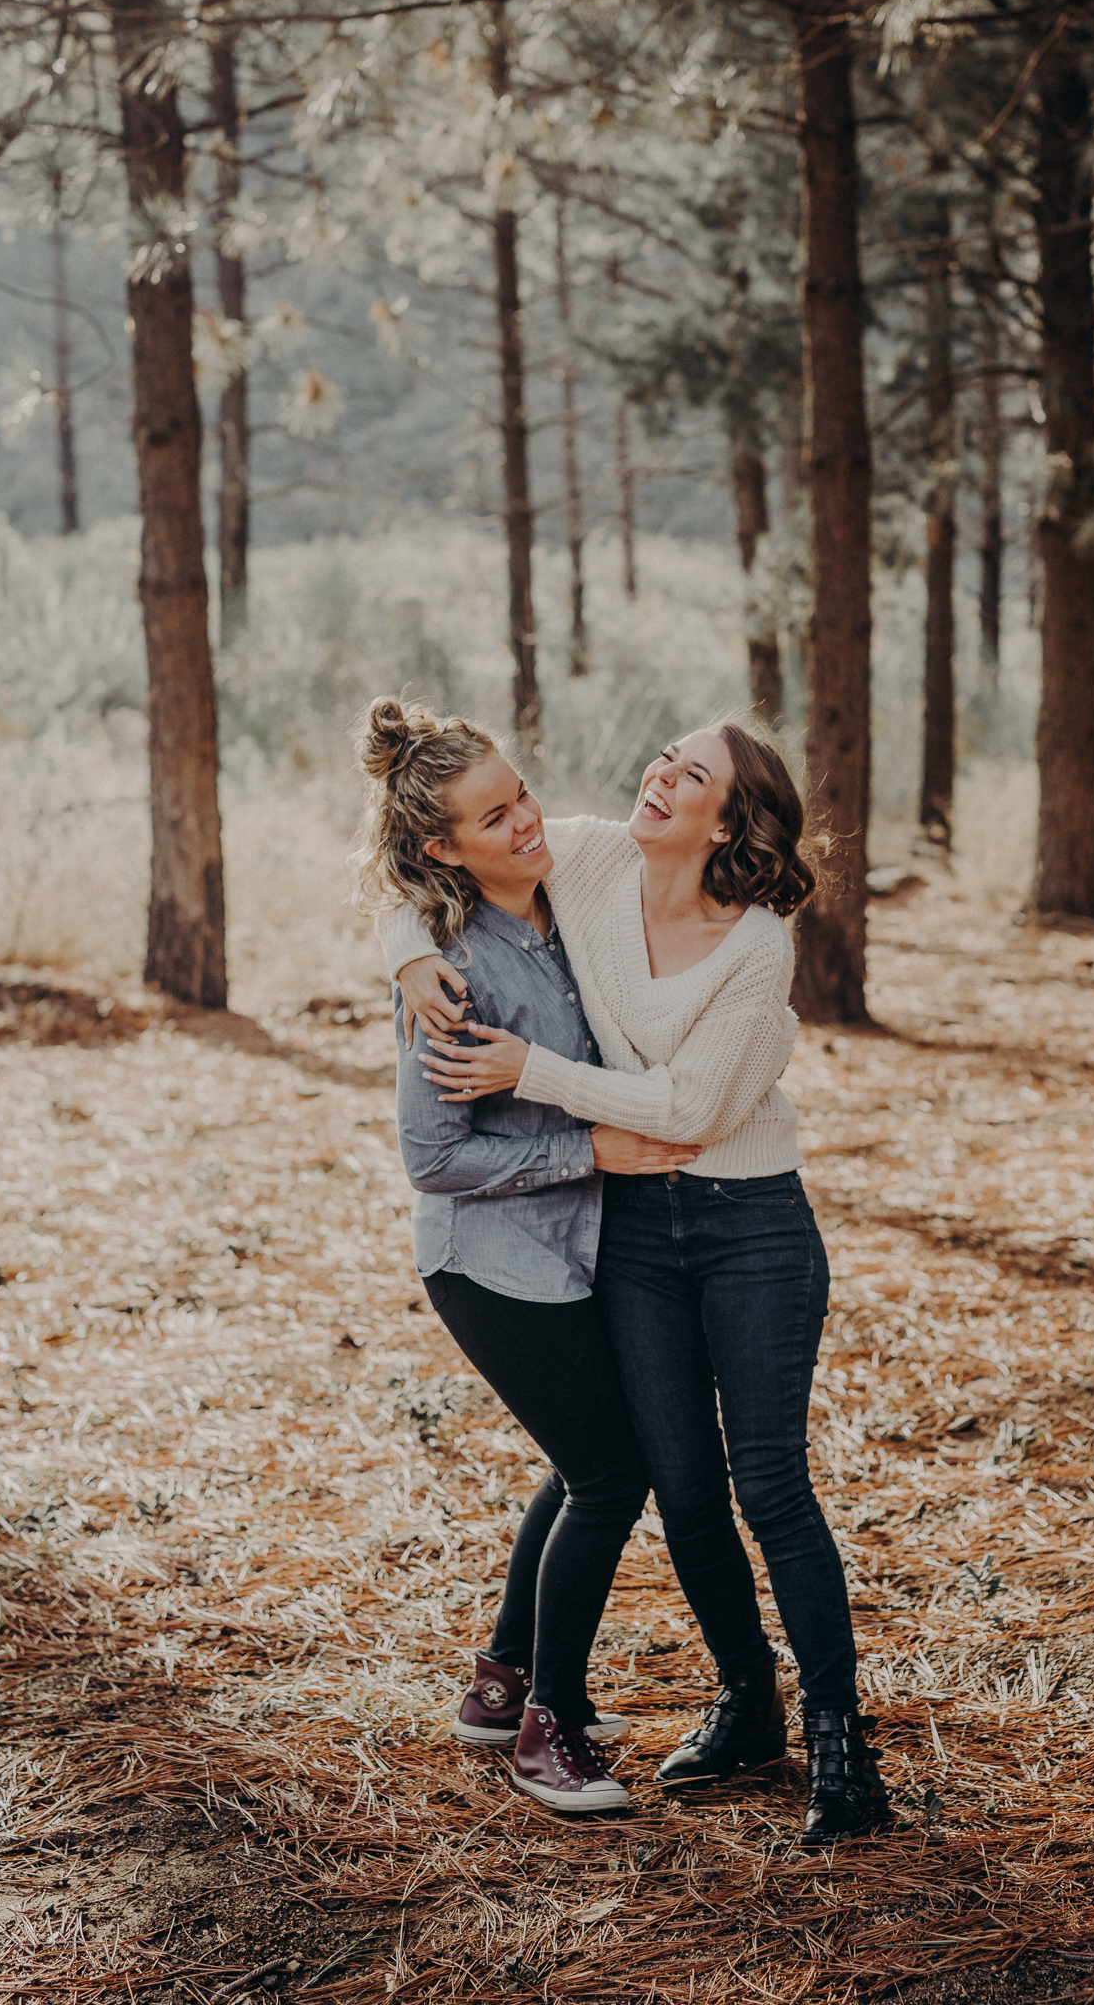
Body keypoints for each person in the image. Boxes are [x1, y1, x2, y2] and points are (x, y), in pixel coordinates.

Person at [384, 718, 893, 1845]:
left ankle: (840, 1743)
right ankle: (744, 1701)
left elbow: (689, 1112)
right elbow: (433, 863)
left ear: (730, 820)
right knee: (675, 1482)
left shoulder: (756, 945)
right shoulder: (597, 854)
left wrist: (532, 1071)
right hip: (629, 1230)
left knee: (768, 1484)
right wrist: (407, 952)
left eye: (691, 773)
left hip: (748, 1222)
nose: (657, 772)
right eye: (660, 751)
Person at [356, 697, 704, 1816]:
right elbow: (431, 1157)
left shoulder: (571, 896)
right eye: (492, 816)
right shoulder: (453, 972)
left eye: (522, 795)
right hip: (487, 1261)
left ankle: (500, 1684)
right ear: (440, 846)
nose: (526, 822)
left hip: (575, 1249)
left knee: (584, 1463)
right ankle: (547, 1727)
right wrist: (585, 1145)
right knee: (611, 1472)